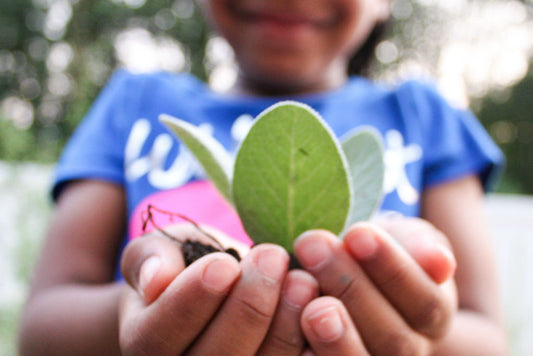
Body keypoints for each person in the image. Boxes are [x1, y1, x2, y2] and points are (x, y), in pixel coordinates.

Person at [18, 0, 508, 355]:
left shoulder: (424, 115)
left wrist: (421, 330)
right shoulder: (134, 104)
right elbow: (41, 330)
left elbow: (485, 335)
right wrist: (139, 307)